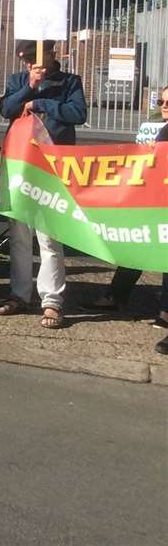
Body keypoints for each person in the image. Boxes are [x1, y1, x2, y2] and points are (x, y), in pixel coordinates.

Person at [0, 39, 86, 329]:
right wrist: (29, 87)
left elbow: (78, 114)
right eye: (24, 60)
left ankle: (52, 300)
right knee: (20, 235)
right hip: (21, 162)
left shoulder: (70, 81)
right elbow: (7, 108)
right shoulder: (17, 80)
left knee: (49, 237)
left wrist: (42, 103)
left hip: (53, 166)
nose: (30, 64)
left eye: (34, 57)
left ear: (51, 53)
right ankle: (19, 293)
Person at [81, 86, 168, 355]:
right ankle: (118, 295)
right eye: (162, 100)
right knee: (139, 244)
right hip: (156, 201)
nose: (164, 105)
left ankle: (164, 313)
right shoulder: (164, 129)